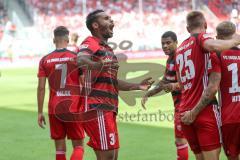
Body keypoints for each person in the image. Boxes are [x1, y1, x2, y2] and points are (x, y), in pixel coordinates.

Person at [77, 9, 154, 160]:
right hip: (97, 107)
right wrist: (97, 65)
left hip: (109, 108)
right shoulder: (90, 42)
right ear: (95, 25)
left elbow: (113, 81)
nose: (112, 21)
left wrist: (137, 86)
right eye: (106, 19)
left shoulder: (108, 49)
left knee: (112, 156)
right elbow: (80, 59)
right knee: (107, 157)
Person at [175, 11, 240, 160]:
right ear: (205, 25)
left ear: (187, 29)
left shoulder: (179, 50)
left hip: (184, 111)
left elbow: (181, 83)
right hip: (204, 110)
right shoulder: (202, 40)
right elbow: (212, 87)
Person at [37, 26, 84, 160]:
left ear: (53, 40)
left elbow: (41, 88)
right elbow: (84, 83)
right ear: (68, 40)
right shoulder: (76, 58)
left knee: (59, 149)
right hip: (73, 106)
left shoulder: (45, 60)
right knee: (78, 146)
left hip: (54, 107)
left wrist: (40, 112)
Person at [141, 31, 189, 160]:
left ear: (176, 43)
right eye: (163, 44)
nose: (165, 46)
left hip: (184, 103)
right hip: (180, 103)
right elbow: (165, 81)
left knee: (180, 140)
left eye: (168, 43)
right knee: (187, 140)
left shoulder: (180, 58)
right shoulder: (171, 59)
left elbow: (189, 81)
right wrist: (150, 93)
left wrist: (174, 86)